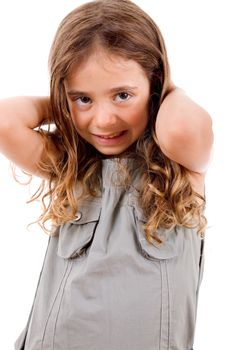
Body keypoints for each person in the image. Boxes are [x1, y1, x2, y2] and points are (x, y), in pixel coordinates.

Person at [0, 0, 213, 349]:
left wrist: (166, 91)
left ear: (155, 85)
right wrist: (64, 102)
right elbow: (4, 122)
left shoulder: (180, 167)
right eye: (83, 99)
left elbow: (182, 129)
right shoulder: (72, 162)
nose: (103, 120)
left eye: (122, 95)